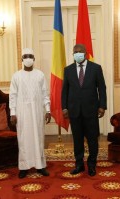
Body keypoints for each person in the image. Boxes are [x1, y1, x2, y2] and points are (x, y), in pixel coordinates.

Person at [61, 44, 107, 177]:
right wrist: (64, 107)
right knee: (77, 139)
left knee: (92, 139)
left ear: (86, 54)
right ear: (73, 54)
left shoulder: (96, 68)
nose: (78, 54)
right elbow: (65, 90)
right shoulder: (68, 70)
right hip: (74, 111)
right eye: (75, 52)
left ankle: (92, 164)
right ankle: (79, 165)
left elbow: (102, 88)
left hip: (91, 110)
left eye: (80, 51)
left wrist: (102, 106)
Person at [9, 48, 51, 179]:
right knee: (23, 139)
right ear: (22, 59)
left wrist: (48, 110)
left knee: (38, 138)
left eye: (30, 56)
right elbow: (13, 96)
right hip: (22, 113)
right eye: (25, 56)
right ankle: (24, 167)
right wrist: (13, 113)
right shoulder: (16, 76)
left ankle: (40, 166)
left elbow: (45, 94)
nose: (28, 59)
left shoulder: (40, 75)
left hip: (38, 112)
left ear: (34, 59)